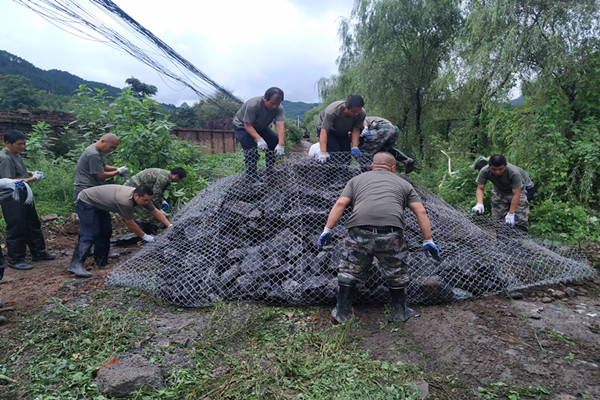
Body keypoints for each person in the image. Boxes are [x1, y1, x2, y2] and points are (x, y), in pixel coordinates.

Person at [317, 151, 441, 324]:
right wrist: (428, 240)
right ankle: (400, 313)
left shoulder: (356, 180)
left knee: (349, 270)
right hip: (391, 232)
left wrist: (327, 230)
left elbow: (340, 203)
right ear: (393, 168)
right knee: (396, 273)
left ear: (372, 166)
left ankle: (342, 313)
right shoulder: (404, 184)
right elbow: (421, 211)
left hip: (360, 231)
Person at [68, 184, 172, 277]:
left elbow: (155, 212)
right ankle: (75, 265)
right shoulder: (125, 202)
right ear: (136, 196)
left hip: (100, 204)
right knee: (90, 232)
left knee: (106, 231)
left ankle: (100, 262)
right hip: (86, 201)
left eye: (148, 200)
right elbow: (130, 223)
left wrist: (169, 225)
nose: (147, 203)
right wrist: (145, 237)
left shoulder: (143, 197)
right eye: (145, 200)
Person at [0, 130, 56, 271]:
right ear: (8, 143)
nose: (23, 146)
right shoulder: (5, 158)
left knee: (32, 223)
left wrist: (31, 173)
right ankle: (15, 259)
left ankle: (39, 252)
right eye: (19, 144)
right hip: (11, 196)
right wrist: (32, 179)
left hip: (23, 194)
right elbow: (8, 181)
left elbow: (19, 172)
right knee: (17, 227)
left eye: (24, 143)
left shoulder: (15, 154)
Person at [74, 133, 128, 259]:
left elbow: (103, 167)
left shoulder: (97, 152)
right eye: (111, 147)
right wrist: (117, 172)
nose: (111, 150)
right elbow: (100, 175)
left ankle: (103, 249)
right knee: (90, 226)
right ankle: (80, 258)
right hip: (86, 194)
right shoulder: (93, 153)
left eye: (114, 148)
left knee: (104, 223)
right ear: (103, 141)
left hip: (96, 192)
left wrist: (117, 168)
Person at [233, 87, 286, 182]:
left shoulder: (279, 108)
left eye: (277, 104)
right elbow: (247, 125)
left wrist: (281, 144)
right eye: (272, 103)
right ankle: (251, 174)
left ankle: (270, 168)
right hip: (242, 126)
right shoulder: (253, 105)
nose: (275, 107)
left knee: (274, 140)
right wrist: (259, 139)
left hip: (261, 126)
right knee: (251, 150)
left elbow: (280, 125)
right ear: (265, 98)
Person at [472, 154, 530, 231]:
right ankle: (501, 237)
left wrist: (511, 213)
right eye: (494, 169)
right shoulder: (484, 171)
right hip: (499, 192)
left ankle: (519, 235)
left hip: (516, 192)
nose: (497, 172)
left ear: (505, 165)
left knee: (520, 220)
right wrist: (479, 203)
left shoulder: (514, 172)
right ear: (489, 166)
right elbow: (480, 188)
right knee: (499, 219)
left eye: (500, 169)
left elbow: (516, 194)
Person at [125, 167, 187, 234]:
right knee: (146, 213)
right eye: (180, 179)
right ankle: (145, 233)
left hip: (140, 189)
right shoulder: (164, 178)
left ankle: (145, 227)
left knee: (151, 211)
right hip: (132, 188)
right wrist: (159, 208)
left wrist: (162, 201)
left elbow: (158, 192)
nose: (179, 181)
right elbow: (155, 196)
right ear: (176, 176)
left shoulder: (166, 175)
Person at [315, 95, 366, 164]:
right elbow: (324, 131)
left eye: (358, 112)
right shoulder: (332, 112)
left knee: (346, 155)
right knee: (334, 153)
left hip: (343, 131)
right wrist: (323, 152)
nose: (356, 114)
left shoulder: (361, 113)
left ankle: (344, 170)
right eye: (353, 112)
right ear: (345, 108)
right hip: (328, 131)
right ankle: (330, 170)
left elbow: (356, 129)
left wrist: (355, 146)